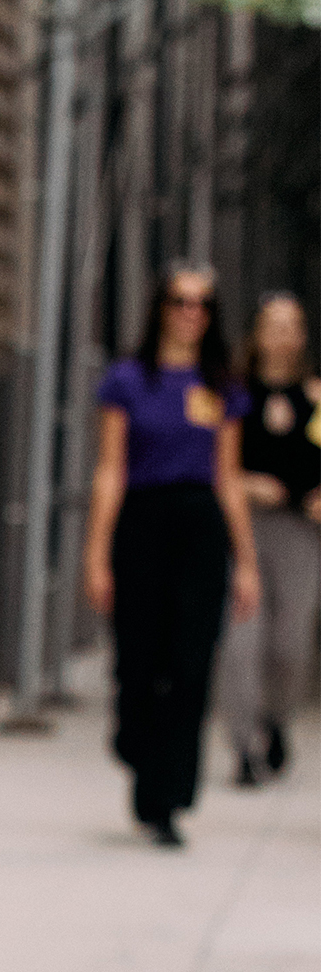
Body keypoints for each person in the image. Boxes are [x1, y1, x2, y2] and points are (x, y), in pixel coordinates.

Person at [83, 265, 260, 848]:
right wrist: (96, 552)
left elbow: (228, 478)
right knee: (139, 660)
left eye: (203, 304)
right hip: (141, 523)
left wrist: (247, 562)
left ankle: (166, 798)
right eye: (181, 301)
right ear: (160, 307)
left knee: (190, 663)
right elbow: (110, 469)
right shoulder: (128, 380)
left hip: (200, 529)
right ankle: (134, 742)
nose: (191, 312)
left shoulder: (221, 386)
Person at [216, 292, 319, 785]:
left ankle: (275, 720)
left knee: (290, 643)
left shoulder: (316, 397)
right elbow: (215, 461)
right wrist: (245, 482)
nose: (283, 336)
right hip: (245, 525)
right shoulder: (235, 395)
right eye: (273, 325)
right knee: (240, 641)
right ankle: (243, 749)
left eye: (292, 326)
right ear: (257, 332)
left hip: (300, 531)